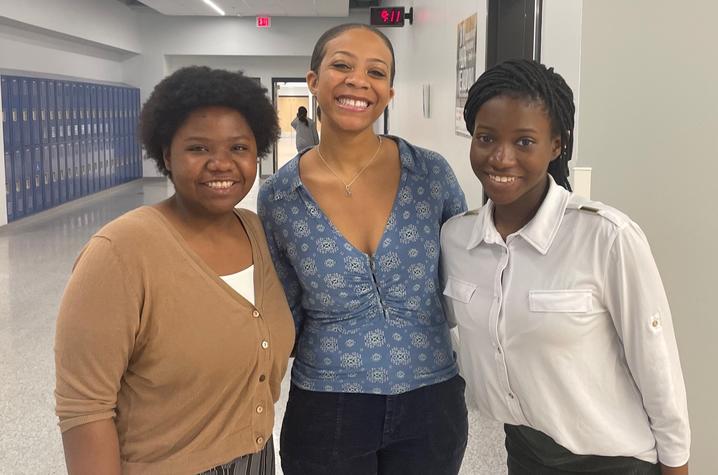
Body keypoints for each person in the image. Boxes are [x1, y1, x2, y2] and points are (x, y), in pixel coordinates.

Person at [440, 59, 690, 475]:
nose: (501, 158)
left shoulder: (606, 237)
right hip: (525, 450)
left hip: (614, 461)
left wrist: (677, 464)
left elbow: (657, 364)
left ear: (556, 145)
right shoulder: (457, 239)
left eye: (524, 142)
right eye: (486, 138)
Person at [54, 66, 295, 475]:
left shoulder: (256, 231)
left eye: (239, 148)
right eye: (198, 149)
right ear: (166, 154)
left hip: (256, 459)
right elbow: (85, 408)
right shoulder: (120, 252)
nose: (221, 164)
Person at [258, 23, 469, 475]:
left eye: (376, 72)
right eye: (341, 65)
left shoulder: (429, 175)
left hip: (432, 400)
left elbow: (467, 278)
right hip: (327, 406)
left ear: (389, 93)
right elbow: (284, 308)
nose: (358, 81)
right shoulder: (280, 195)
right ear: (313, 81)